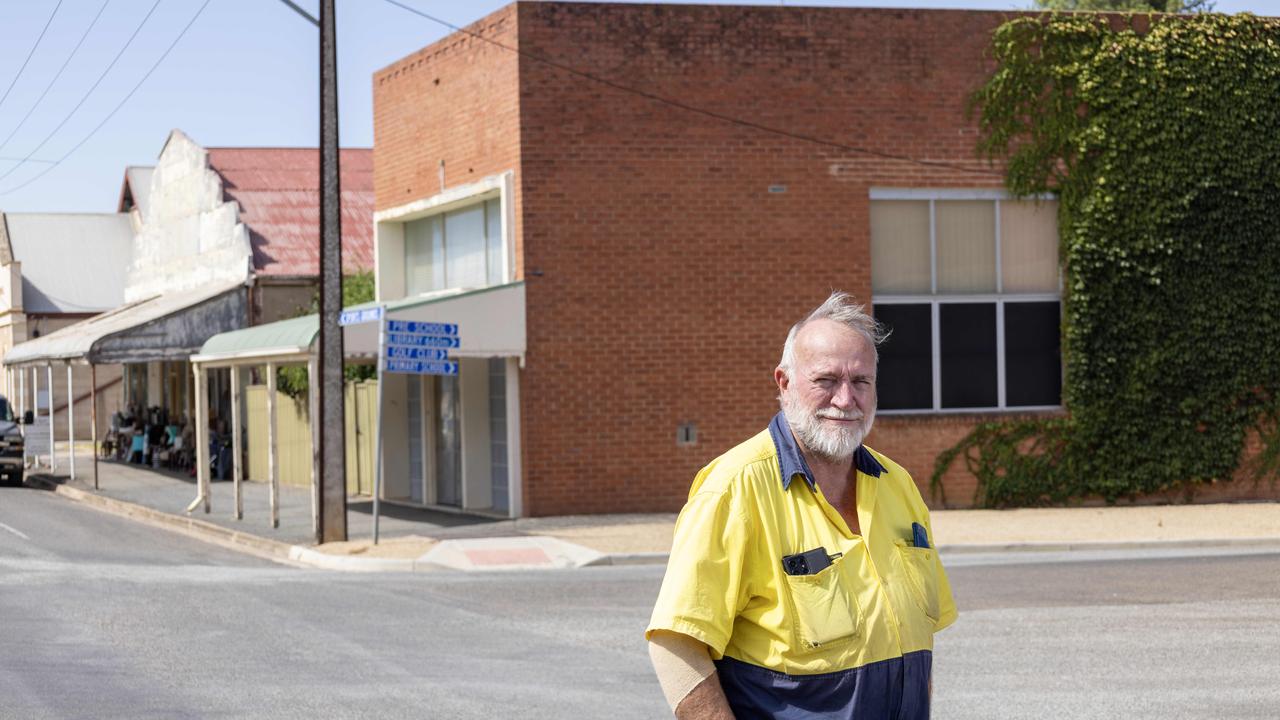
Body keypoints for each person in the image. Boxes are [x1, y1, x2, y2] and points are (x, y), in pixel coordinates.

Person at [647, 292, 957, 719]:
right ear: (785, 382)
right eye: (826, 380)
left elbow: (912, 643)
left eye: (860, 381)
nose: (846, 400)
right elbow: (676, 645)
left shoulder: (898, 485)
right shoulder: (735, 489)